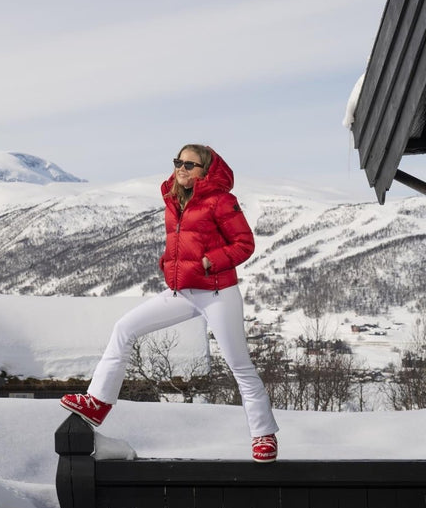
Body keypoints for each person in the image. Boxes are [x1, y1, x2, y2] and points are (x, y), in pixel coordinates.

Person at [61, 144, 279, 462]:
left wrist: (208, 262)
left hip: (217, 292)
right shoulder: (173, 199)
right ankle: (97, 402)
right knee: (124, 328)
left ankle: (264, 435)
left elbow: (244, 243)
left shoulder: (221, 200)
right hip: (182, 291)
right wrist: (168, 263)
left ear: (206, 170)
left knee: (239, 364)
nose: (182, 168)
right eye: (179, 162)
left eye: (190, 164)